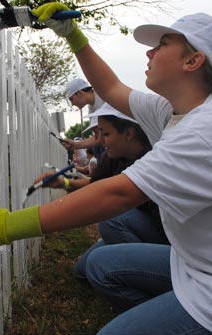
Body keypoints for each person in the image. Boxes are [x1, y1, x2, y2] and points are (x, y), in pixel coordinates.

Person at [0, 8, 212, 335]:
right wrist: (73, 37)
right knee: (101, 265)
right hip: (204, 268)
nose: (149, 53)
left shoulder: (208, 128)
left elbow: (119, 193)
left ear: (193, 60)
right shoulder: (175, 110)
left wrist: (6, 226)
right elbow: (111, 89)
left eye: (162, 45)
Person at [34, 104, 168, 282]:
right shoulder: (113, 157)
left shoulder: (157, 158)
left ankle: (147, 276)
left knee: (112, 221)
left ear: (129, 134)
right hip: (140, 227)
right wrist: (64, 183)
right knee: (82, 271)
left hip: (170, 240)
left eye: (105, 134)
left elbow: (111, 197)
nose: (101, 142)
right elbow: (94, 186)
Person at [62, 78, 105, 158]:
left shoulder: (104, 96)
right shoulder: (91, 110)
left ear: (79, 93)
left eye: (71, 99)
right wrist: (75, 145)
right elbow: (98, 138)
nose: (72, 104)